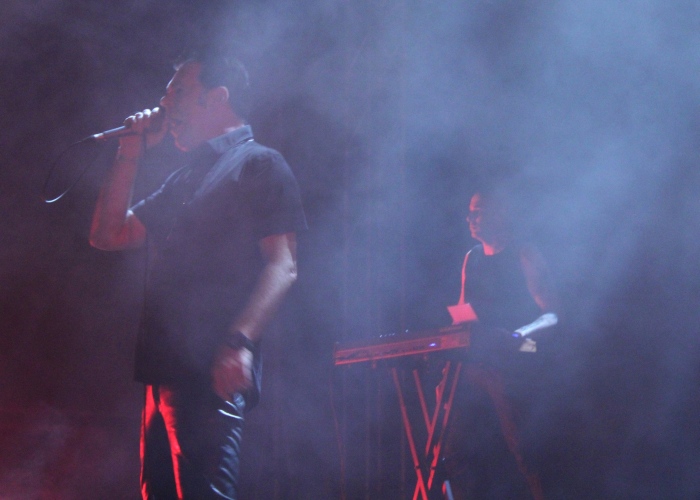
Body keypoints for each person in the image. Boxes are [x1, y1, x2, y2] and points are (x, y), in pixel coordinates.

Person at [89, 52, 307, 499]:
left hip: (208, 366)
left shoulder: (260, 164)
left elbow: (283, 265)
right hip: (161, 368)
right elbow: (108, 234)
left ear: (218, 97)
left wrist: (239, 342)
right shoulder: (186, 177)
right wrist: (129, 152)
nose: (164, 104)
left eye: (178, 93)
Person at [443, 189, 559, 500]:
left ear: (500, 214)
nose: (470, 218)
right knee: (449, 442)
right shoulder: (471, 258)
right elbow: (463, 313)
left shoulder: (524, 254)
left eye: (478, 211)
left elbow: (553, 315)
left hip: (524, 351)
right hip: (482, 357)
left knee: (524, 447)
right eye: (470, 212)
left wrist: (519, 336)